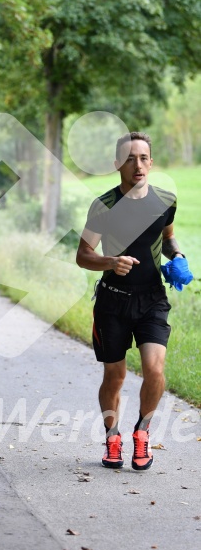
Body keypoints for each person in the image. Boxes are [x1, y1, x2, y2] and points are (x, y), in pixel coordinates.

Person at [76, 131, 193, 471]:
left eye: (143, 158)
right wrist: (111, 262)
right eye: (130, 158)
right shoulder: (105, 205)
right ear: (117, 165)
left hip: (152, 299)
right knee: (114, 376)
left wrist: (179, 256)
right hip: (113, 301)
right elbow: (83, 255)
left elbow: (168, 239)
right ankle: (113, 435)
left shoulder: (165, 200)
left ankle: (141, 433)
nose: (137, 165)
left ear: (151, 163)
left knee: (155, 370)